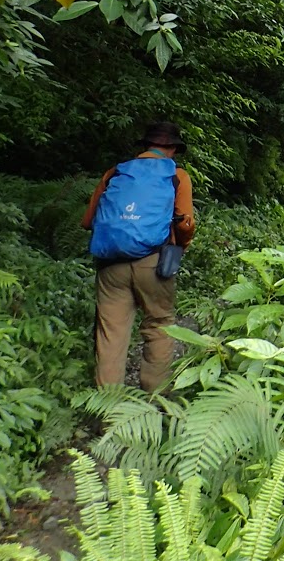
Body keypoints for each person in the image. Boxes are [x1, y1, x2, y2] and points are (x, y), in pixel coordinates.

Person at [81, 120, 196, 389]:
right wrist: (181, 246)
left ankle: (106, 405)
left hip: (111, 265)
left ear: (145, 146)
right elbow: (184, 223)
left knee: (111, 333)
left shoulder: (115, 173)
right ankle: (153, 399)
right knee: (159, 325)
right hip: (154, 263)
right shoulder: (177, 176)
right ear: (173, 149)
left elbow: (88, 221)